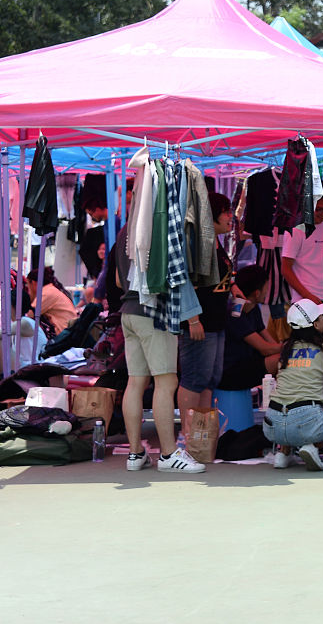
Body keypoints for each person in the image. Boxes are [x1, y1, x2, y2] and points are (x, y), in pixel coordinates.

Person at [113, 225, 204, 473]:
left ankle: (135, 453)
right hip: (153, 311)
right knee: (166, 382)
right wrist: (192, 317)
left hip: (129, 311)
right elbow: (175, 276)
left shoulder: (125, 230)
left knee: (135, 382)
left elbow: (119, 278)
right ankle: (167, 453)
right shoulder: (157, 224)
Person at [178, 193, 233, 441]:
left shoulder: (216, 243)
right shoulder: (198, 242)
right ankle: (188, 434)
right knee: (194, 378)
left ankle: (202, 433)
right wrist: (192, 319)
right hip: (199, 321)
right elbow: (184, 282)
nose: (230, 216)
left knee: (209, 378)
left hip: (216, 319)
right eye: (226, 211)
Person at [263, 299, 323, 470]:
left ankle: (283, 454)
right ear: (315, 324)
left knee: (290, 405)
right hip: (306, 423)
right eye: (322, 317)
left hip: (272, 424)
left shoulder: (286, 348)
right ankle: (311, 446)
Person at [218, 265, 282, 395]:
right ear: (256, 292)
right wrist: (290, 347)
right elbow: (265, 348)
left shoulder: (254, 308)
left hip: (247, 363)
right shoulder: (235, 313)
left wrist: (284, 348)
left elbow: (269, 342)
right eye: (266, 288)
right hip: (230, 373)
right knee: (283, 360)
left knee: (286, 357)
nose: (267, 292)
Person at [281, 192, 323, 303]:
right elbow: (286, 269)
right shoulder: (296, 230)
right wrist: (308, 296)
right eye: (318, 209)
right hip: (304, 300)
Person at [24, 267, 76, 335]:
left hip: (62, 333)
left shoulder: (47, 293)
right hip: (67, 331)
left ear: (34, 283)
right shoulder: (50, 290)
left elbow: (29, 314)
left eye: (28, 285)